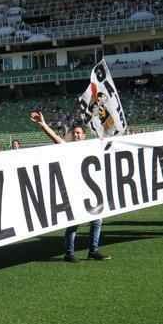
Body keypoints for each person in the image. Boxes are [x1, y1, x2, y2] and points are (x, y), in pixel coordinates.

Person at [29, 111, 111, 262]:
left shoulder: (91, 147)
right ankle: (69, 253)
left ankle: (93, 250)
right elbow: (55, 139)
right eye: (75, 133)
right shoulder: (69, 148)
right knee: (74, 223)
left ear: (84, 135)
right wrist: (43, 124)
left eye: (80, 133)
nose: (77, 135)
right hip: (74, 191)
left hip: (91, 190)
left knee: (97, 220)